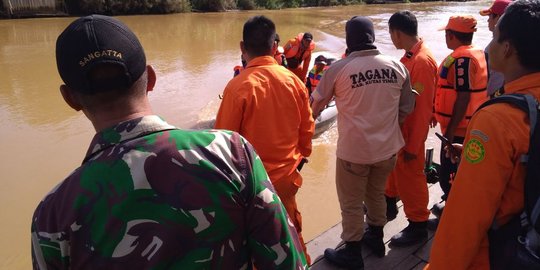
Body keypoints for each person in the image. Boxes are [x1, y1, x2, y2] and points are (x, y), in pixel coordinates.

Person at [31, 14, 307, 269]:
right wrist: (303, 155)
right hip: (286, 176)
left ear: (70, 99)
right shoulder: (232, 154)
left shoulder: (52, 214)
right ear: (151, 78)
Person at [427, 0, 540, 268]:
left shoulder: (497, 119)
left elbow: (465, 217)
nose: (488, 46)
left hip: (504, 249)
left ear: (508, 48)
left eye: (495, 36)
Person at [311, 16, 415, 269]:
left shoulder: (338, 69)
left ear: (349, 39)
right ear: (373, 37)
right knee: (377, 193)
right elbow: (407, 108)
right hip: (388, 150)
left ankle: (352, 252)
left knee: (351, 203)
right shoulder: (397, 66)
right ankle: (377, 239)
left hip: (354, 153)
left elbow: (314, 108)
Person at [215, 16, 315, 264]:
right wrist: (300, 156)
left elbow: (223, 144)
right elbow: (307, 130)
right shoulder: (294, 82)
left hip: (253, 188)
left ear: (242, 47)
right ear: (274, 48)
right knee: (291, 234)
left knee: (256, 245)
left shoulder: (237, 88)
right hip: (287, 180)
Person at [384, 11, 438, 247]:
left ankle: (418, 225)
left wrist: (414, 146)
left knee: (413, 179)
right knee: (395, 173)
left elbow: (422, 110)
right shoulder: (410, 57)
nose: (391, 39)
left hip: (409, 136)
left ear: (396, 33)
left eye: (391, 34)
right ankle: (388, 205)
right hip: (401, 133)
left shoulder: (421, 62)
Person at [431, 15, 488, 221]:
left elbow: (463, 96)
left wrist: (451, 130)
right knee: (459, 172)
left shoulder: (462, 60)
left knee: (450, 175)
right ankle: (453, 204)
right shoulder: (477, 53)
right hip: (469, 126)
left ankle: (454, 215)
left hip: (460, 131)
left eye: (446, 34)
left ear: (450, 35)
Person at [480, 0, 512, 98]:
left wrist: (491, 101)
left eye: (490, 16)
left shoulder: (498, 47)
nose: (488, 20)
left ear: (499, 18)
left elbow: (496, 81)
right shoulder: (517, 43)